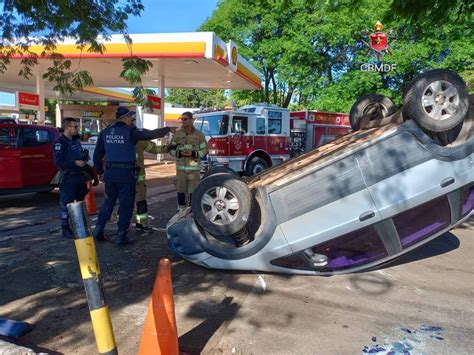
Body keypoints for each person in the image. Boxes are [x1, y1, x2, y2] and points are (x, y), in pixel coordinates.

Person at [92, 107, 176, 246]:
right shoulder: (130, 132)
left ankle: (98, 231)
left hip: (111, 174)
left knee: (109, 203)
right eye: (131, 117)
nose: (132, 120)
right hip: (126, 174)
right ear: (124, 118)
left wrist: (100, 172)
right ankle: (121, 237)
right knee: (126, 205)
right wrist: (167, 129)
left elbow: (97, 154)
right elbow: (150, 134)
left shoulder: (105, 132)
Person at [53, 117, 89, 238]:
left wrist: (84, 159)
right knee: (66, 204)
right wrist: (74, 163)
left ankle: (79, 225)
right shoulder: (60, 143)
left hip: (79, 176)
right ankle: (65, 228)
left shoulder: (76, 141)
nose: (77, 129)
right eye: (75, 126)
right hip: (69, 177)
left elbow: (80, 155)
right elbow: (58, 162)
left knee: (79, 202)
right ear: (67, 127)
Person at [169, 111, 208, 211]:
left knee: (193, 191)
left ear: (192, 120)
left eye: (185, 119)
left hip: (194, 170)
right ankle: (180, 212)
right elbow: (171, 149)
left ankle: (191, 212)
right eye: (182, 119)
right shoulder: (177, 134)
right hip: (180, 170)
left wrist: (194, 154)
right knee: (180, 191)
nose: (183, 121)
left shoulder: (199, 135)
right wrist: (179, 153)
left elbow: (204, 150)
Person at [134, 138, 169, 232]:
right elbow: (155, 149)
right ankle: (141, 225)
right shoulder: (139, 138)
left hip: (122, 178)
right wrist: (170, 147)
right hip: (137, 178)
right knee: (140, 202)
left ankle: (122, 228)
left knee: (124, 201)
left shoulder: (116, 138)